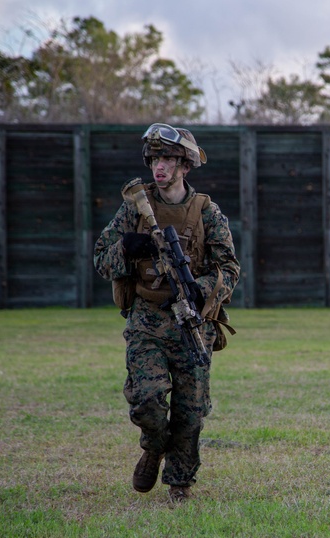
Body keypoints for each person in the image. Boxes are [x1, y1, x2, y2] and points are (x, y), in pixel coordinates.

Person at [93, 124, 240, 502]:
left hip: (193, 322)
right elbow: (101, 262)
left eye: (169, 159)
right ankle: (154, 446)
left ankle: (179, 483)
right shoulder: (134, 208)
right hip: (147, 320)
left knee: (191, 411)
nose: (160, 166)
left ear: (185, 165)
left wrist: (199, 289)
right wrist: (127, 248)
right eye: (156, 158)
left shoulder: (207, 212)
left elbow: (230, 268)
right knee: (147, 400)